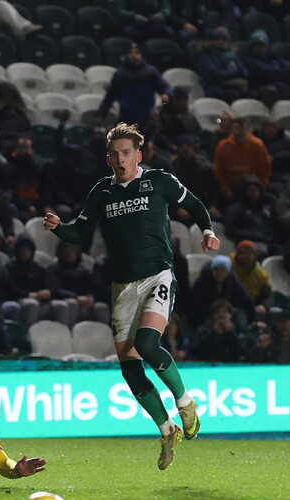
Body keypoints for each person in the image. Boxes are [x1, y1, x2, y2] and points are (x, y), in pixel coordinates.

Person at [43, 123, 220, 470]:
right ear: (107, 159)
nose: (120, 159)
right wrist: (59, 228)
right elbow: (79, 232)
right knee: (130, 369)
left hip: (158, 275)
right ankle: (166, 429)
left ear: (139, 155)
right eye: (114, 154)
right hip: (122, 287)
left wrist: (208, 230)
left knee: (148, 344)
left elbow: (195, 205)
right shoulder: (101, 192)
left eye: (126, 152)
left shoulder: (159, 181)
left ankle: (185, 403)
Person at [97, 43, 172, 132]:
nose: (134, 55)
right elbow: (110, 96)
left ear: (141, 55)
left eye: (137, 52)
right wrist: (101, 114)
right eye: (131, 53)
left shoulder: (151, 72)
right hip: (126, 117)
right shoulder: (120, 75)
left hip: (147, 117)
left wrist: (166, 94)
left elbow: (165, 87)